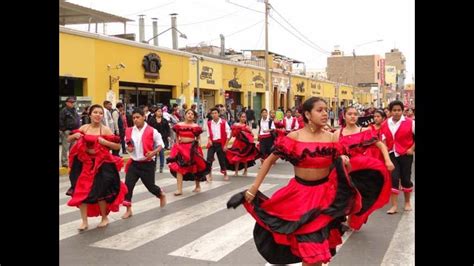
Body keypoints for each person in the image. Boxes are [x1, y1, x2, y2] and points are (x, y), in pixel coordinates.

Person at [227, 97, 385, 265]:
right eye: (320, 110)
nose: (325, 113)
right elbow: (269, 161)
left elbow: (340, 167)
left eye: (326, 110)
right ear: (308, 114)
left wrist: (344, 162)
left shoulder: (332, 138)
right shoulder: (294, 137)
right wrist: (253, 188)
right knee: (309, 251)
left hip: (324, 199)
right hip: (299, 197)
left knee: (315, 253)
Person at [65, 104, 128, 231]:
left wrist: (105, 142)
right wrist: (75, 136)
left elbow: (117, 146)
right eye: (95, 112)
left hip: (100, 165)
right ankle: (84, 221)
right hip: (83, 164)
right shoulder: (84, 128)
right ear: (90, 114)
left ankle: (104, 218)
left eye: (100, 113)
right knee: (80, 191)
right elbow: (68, 139)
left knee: (101, 192)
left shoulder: (105, 130)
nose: (98, 115)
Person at [335, 106, 394, 230]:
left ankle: (352, 220)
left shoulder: (365, 130)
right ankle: (344, 219)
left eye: (355, 114)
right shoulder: (337, 133)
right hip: (343, 169)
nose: (352, 116)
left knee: (358, 196)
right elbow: (331, 151)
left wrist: (388, 161)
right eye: (350, 114)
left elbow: (381, 146)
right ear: (344, 116)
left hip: (361, 170)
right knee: (342, 195)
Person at [121, 108, 167, 219]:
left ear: (144, 117)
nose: (135, 120)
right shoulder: (129, 131)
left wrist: (153, 152)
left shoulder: (152, 131)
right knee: (128, 187)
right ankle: (128, 210)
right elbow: (128, 145)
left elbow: (161, 145)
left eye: (138, 117)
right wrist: (129, 149)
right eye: (134, 118)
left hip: (147, 163)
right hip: (134, 163)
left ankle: (160, 194)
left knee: (151, 187)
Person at [380, 100, 415, 214]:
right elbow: (383, 140)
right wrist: (386, 155)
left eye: (399, 110)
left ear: (402, 111)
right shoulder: (385, 123)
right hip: (392, 154)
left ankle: (407, 202)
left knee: (405, 178)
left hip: (406, 153)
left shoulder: (410, 122)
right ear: (390, 111)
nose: (396, 112)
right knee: (394, 179)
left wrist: (411, 149)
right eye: (394, 110)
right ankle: (394, 206)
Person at [167, 109, 211, 196]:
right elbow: (176, 137)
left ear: (194, 117)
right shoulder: (178, 125)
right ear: (185, 115)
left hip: (192, 148)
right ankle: (179, 190)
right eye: (188, 113)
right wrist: (176, 145)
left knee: (196, 167)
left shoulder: (196, 126)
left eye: (192, 114)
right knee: (179, 167)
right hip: (181, 148)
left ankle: (197, 186)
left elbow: (198, 138)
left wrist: (198, 145)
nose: (190, 115)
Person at [225, 112, 259, 176]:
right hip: (237, 143)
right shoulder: (235, 125)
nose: (243, 118)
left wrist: (246, 133)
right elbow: (231, 135)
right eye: (242, 117)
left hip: (245, 144)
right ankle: (236, 172)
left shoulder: (247, 127)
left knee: (245, 158)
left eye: (244, 117)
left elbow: (252, 135)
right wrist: (226, 144)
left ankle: (245, 170)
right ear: (239, 117)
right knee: (236, 157)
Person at [206, 107, 231, 181]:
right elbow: (208, 133)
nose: (214, 115)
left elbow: (228, 133)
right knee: (209, 159)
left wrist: (226, 145)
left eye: (215, 113)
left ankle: (225, 173)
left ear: (218, 114)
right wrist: (209, 140)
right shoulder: (209, 123)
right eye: (212, 113)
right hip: (212, 143)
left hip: (221, 143)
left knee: (222, 159)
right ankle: (209, 174)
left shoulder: (223, 122)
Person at [148, 106, 171, 172]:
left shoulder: (164, 120)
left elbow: (167, 129)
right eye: (158, 111)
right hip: (153, 139)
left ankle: (161, 166)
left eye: (161, 111)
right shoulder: (151, 120)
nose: (160, 113)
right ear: (155, 112)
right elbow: (149, 129)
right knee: (154, 153)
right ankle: (154, 166)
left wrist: (168, 136)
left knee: (161, 153)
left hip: (162, 139)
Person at [59, 96, 80, 167]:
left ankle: (71, 160)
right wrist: (64, 130)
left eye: (73, 102)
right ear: (67, 103)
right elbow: (60, 121)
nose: (72, 103)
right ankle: (64, 162)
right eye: (71, 102)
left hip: (74, 131)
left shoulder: (74, 110)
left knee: (73, 147)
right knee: (65, 147)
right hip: (67, 131)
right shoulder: (63, 111)